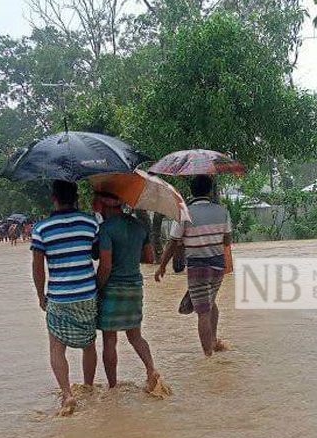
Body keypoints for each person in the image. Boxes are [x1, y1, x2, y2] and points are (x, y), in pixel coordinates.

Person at [31, 180, 100, 416]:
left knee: (56, 348)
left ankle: (68, 394)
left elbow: (38, 268)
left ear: (54, 198)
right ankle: (89, 387)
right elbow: (96, 253)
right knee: (89, 344)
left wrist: (41, 296)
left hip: (59, 296)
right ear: (76, 197)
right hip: (87, 294)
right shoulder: (90, 223)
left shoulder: (42, 229)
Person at [93, 192, 169, 395]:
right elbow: (149, 257)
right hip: (135, 286)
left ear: (104, 204)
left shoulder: (105, 229)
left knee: (110, 340)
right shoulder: (138, 226)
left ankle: (112, 388)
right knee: (136, 336)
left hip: (112, 289)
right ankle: (151, 369)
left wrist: (97, 288)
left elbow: (106, 267)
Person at [154, 175, 232, 356]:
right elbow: (227, 240)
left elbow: (173, 242)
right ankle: (213, 342)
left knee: (203, 311)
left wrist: (162, 266)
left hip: (198, 268)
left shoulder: (184, 213)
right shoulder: (222, 211)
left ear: (192, 191)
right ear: (210, 191)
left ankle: (208, 357)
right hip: (218, 267)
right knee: (211, 303)